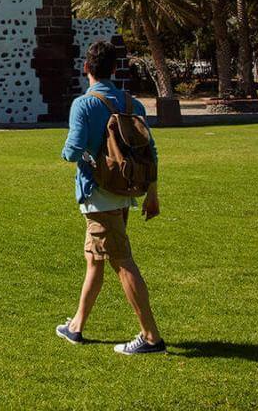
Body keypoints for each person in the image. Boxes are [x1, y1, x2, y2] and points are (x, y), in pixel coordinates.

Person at [56, 39, 166, 354]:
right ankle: (76, 326)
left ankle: (151, 338)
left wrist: (67, 154)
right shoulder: (134, 105)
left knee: (121, 262)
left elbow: (73, 150)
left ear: (86, 68)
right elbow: (150, 152)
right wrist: (152, 192)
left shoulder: (84, 104)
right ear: (115, 69)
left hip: (98, 195)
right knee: (94, 260)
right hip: (126, 191)